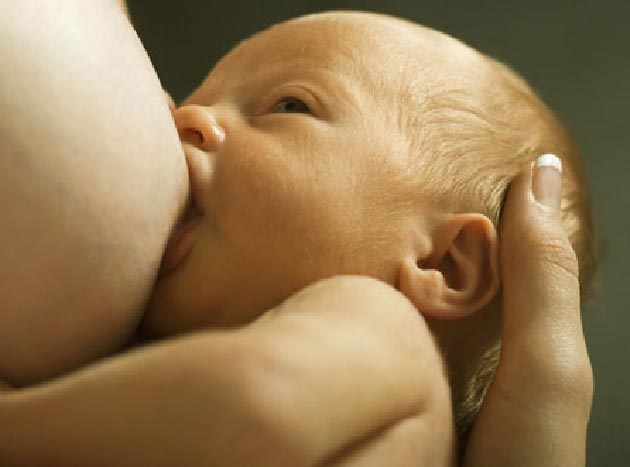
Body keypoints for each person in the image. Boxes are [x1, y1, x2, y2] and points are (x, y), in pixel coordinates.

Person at [0, 7, 595, 467]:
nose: (184, 120)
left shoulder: (378, 319)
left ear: (444, 264)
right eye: (194, 100)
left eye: (288, 105)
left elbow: (260, 402)